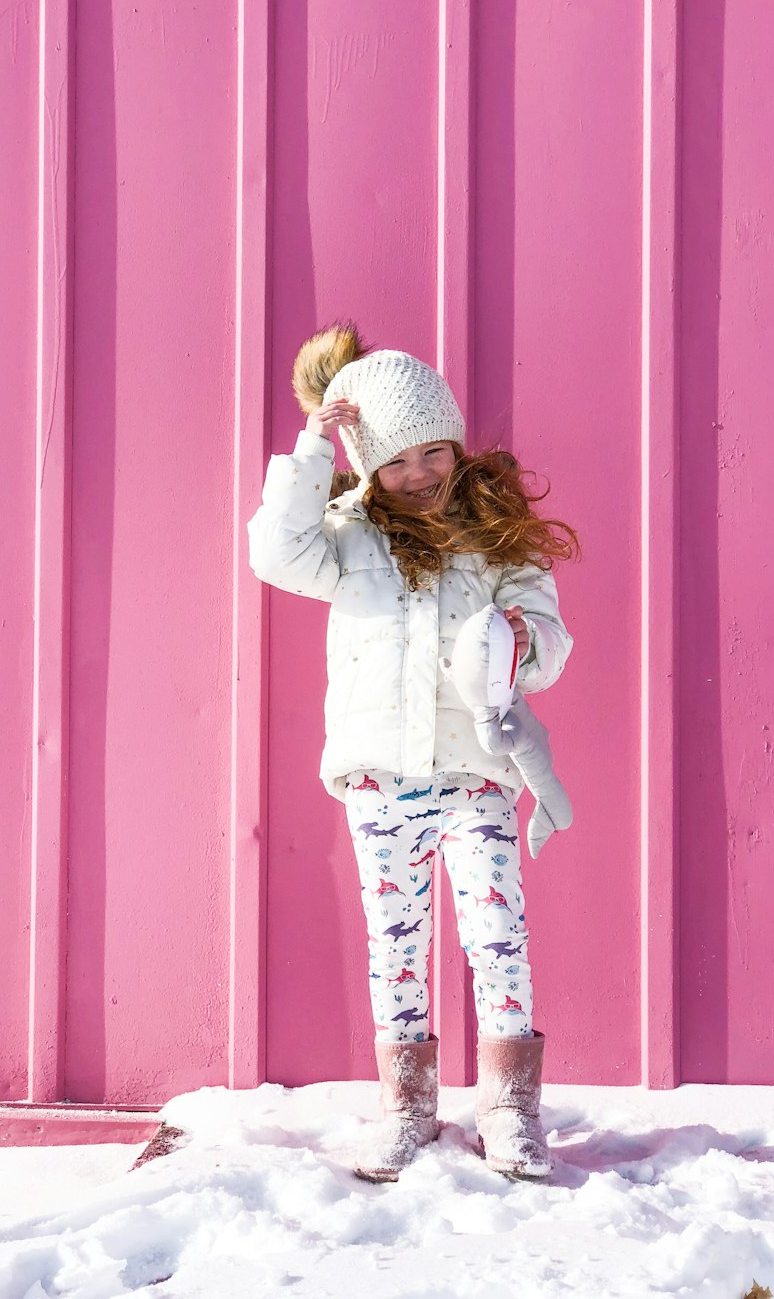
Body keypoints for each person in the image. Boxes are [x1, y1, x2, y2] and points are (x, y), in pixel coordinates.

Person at [247, 322, 578, 1183]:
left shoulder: (493, 532)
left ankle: (510, 1108)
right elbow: (272, 553)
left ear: (456, 444)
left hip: (478, 774)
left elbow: (549, 633)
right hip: (381, 778)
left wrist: (521, 640)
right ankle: (407, 1105)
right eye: (398, 461)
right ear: (367, 467)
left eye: (434, 451)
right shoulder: (345, 535)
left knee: (498, 934)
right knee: (396, 941)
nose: (422, 473)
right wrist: (314, 447)